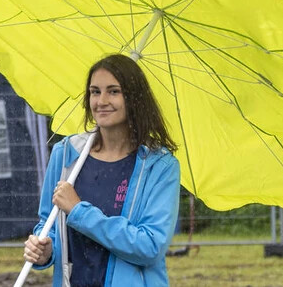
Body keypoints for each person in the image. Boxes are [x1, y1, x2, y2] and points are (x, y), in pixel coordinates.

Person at [24, 53, 181, 286]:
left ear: (134, 98)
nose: (101, 101)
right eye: (95, 91)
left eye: (114, 91)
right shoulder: (66, 154)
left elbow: (150, 246)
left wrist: (79, 211)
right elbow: (49, 222)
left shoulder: (159, 166)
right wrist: (46, 251)